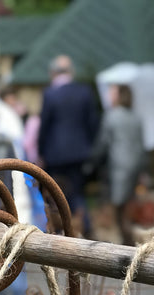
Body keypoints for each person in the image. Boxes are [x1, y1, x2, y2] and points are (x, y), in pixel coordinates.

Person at [38, 55, 98, 236]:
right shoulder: (85, 91)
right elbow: (93, 124)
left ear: (53, 72)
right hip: (80, 153)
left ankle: (61, 234)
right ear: (71, 71)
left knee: (57, 195)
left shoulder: (50, 94)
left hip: (55, 154)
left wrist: (41, 152)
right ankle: (85, 231)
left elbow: (44, 127)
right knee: (78, 193)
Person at [87, 84, 145, 246]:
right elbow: (141, 146)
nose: (109, 96)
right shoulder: (136, 117)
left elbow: (103, 143)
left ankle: (124, 246)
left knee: (118, 209)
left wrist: (92, 162)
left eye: (112, 93)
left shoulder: (111, 116)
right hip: (134, 167)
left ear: (119, 96)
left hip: (118, 168)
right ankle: (128, 243)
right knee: (126, 207)